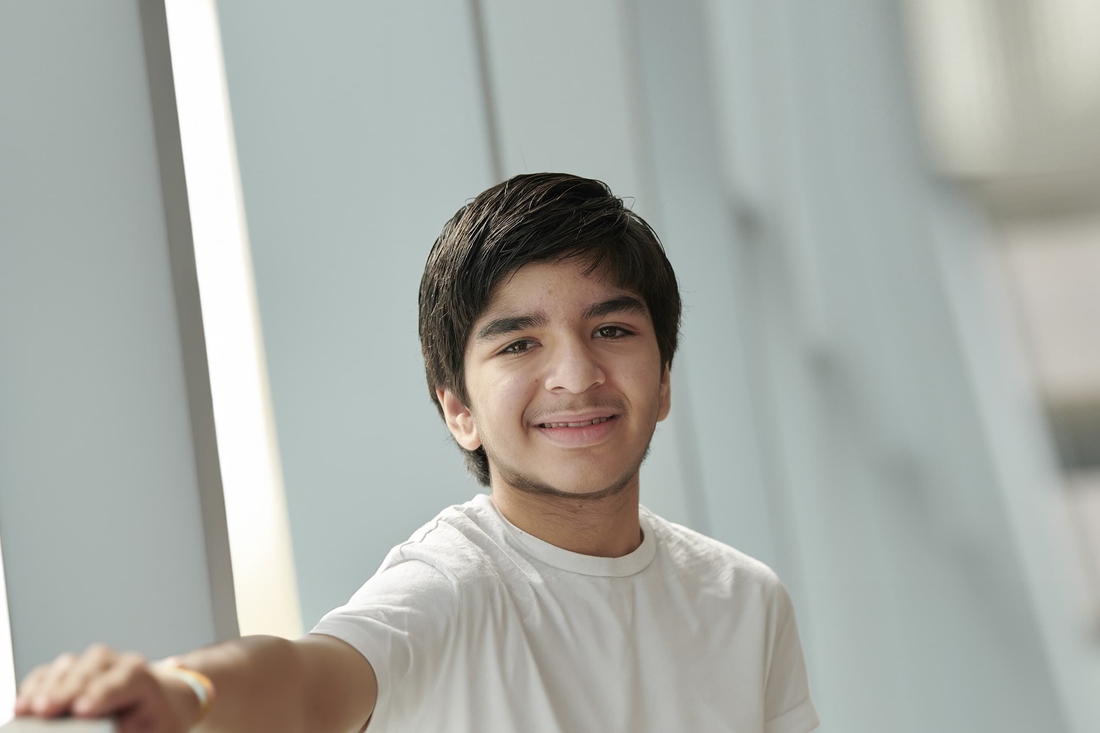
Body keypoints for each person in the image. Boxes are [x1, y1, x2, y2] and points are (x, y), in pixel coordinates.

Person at [14, 173, 818, 733]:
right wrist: (182, 690)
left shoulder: (746, 599)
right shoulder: (452, 584)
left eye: (611, 329)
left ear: (665, 378)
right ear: (459, 408)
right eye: (519, 344)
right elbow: (305, 681)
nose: (575, 374)